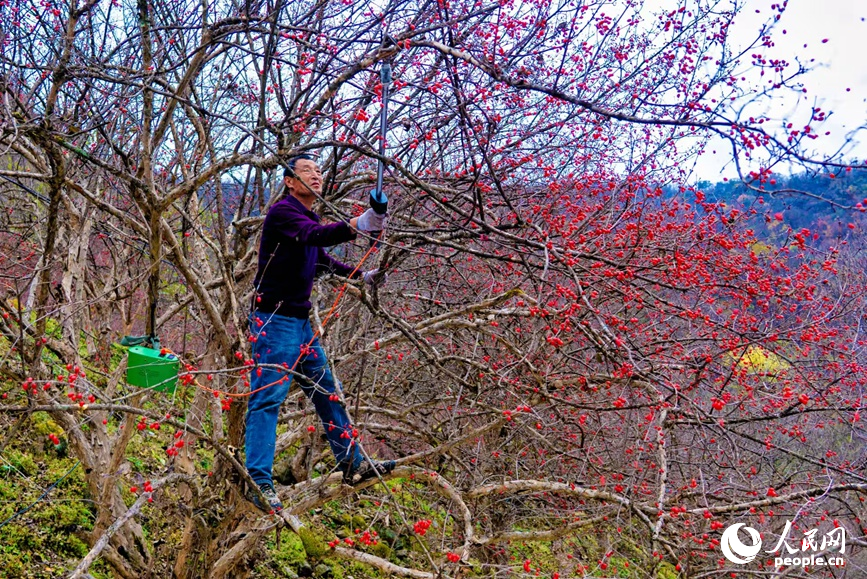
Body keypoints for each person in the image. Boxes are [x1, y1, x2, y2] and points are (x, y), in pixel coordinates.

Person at [245, 154, 395, 512]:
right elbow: (315, 236)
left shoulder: (305, 218)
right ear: (289, 181)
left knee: (328, 391)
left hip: (298, 323)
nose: (316, 176)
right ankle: (258, 480)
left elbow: (321, 259)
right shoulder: (284, 214)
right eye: (307, 171)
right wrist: (360, 222)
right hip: (274, 319)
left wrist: (361, 276)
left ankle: (353, 463)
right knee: (267, 398)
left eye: (319, 171)